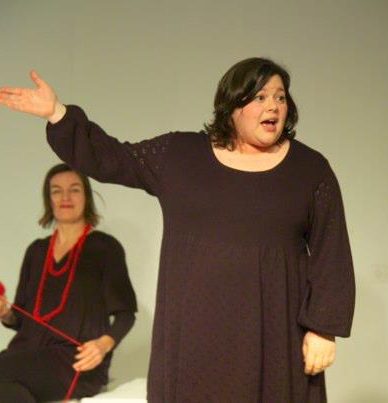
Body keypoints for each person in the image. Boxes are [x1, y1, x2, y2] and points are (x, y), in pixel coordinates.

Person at [0, 57, 355, 402]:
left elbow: (332, 254)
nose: (273, 106)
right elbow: (109, 157)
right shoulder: (180, 155)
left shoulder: (309, 170)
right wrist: (57, 113)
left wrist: (323, 329)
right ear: (232, 105)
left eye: (280, 97)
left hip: (274, 338)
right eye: (260, 97)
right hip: (195, 339)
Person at [0, 163, 137, 402]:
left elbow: (126, 315)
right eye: (56, 191)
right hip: (26, 352)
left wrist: (103, 346)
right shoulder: (36, 251)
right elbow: (20, 319)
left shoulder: (105, 248)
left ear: (86, 197)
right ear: (49, 199)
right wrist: (5, 313)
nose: (65, 197)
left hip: (76, 360)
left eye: (74, 189)